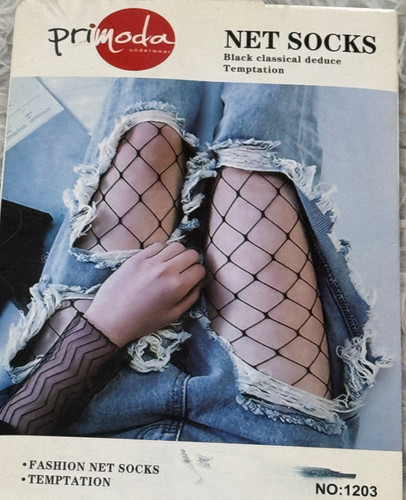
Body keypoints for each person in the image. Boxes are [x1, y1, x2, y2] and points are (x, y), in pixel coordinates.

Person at [0, 80, 382, 447]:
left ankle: (166, 40)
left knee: (146, 138)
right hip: (258, 440)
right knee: (253, 168)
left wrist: (104, 326)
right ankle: (272, 41)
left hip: (65, 397)